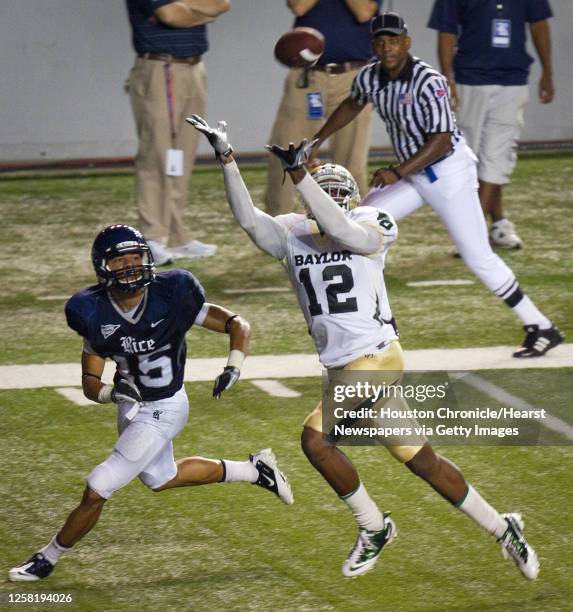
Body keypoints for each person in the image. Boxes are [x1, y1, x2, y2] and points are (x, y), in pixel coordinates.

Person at [188, 114, 539, 580]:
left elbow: (347, 232)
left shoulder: (373, 221)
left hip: (378, 355)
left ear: (351, 201)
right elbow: (249, 220)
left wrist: (301, 176)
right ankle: (502, 527)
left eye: (336, 196)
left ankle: (373, 526)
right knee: (423, 462)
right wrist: (227, 158)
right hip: (340, 367)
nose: (329, 203)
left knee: (315, 440)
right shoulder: (294, 232)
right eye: (321, 194)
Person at [8, 224, 293, 582]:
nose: (129, 266)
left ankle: (47, 558)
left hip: (166, 406)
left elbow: (238, 324)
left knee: (98, 488)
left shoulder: (173, 294)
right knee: (161, 477)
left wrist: (233, 365)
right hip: (131, 407)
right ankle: (256, 470)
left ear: (147, 259)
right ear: (103, 267)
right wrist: (112, 394)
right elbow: (89, 382)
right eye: (119, 260)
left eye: (134, 257)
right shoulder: (92, 311)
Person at [307, 11, 563, 358]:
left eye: (393, 41)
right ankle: (381, 320)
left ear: (407, 42)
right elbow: (353, 103)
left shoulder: (430, 81)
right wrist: (317, 140)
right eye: (380, 42)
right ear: (373, 45)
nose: (387, 48)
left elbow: (441, 140)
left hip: (448, 174)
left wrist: (398, 171)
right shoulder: (371, 76)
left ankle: (540, 326)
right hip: (413, 174)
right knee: (358, 228)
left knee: (478, 257)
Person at [428, 0, 554, 249]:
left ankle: (472, 237)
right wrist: (448, 78)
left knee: (497, 155)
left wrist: (548, 71)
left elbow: (539, 23)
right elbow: (447, 30)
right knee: (469, 159)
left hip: (513, 79)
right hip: (469, 80)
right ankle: (498, 223)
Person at [125, 0, 231, 266]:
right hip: (162, 67)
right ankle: (151, 237)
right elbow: (170, 14)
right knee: (157, 155)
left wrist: (189, 10)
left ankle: (175, 234)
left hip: (194, 67)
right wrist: (200, 11)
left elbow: (222, 4)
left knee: (182, 155)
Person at [265, 0, 381, 216]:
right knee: (287, 152)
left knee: (351, 159)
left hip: (352, 75)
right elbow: (299, 6)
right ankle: (277, 223)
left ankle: (352, 225)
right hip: (307, 75)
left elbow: (364, 12)